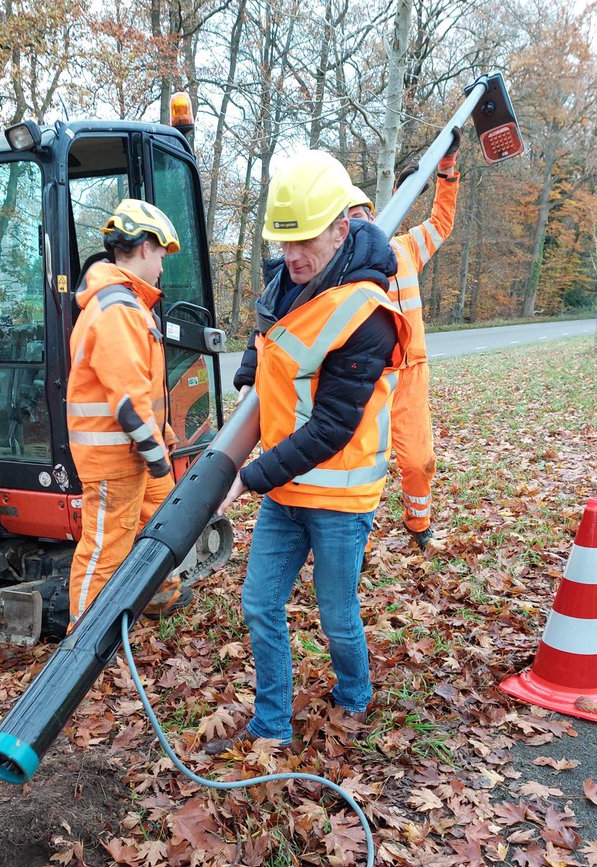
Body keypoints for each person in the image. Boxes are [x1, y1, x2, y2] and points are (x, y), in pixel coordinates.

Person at [208, 150, 410, 752]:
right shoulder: (286, 276)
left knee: (337, 617)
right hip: (285, 487)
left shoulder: (368, 317)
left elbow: (330, 428)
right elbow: (268, 332)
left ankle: (354, 696)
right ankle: (272, 723)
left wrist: (246, 479)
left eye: (306, 243)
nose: (293, 256)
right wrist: (249, 375)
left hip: (339, 496)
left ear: (341, 230)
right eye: (284, 242)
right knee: (259, 606)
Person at [67, 198, 188, 628]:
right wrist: (157, 455)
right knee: (104, 551)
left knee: (162, 523)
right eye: (160, 256)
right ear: (142, 248)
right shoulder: (118, 309)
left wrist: (163, 436)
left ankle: (156, 594)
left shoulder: (129, 305)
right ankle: (81, 646)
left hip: (135, 452)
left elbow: (143, 387)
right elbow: (127, 398)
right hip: (115, 458)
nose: (161, 267)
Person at [347, 130, 460, 548]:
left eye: (364, 215)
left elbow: (442, 224)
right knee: (363, 464)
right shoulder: (343, 268)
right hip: (368, 379)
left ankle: (419, 526)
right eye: (349, 218)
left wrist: (445, 170)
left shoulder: (406, 247)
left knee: (417, 460)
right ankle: (352, 531)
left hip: (411, 375)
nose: (358, 223)